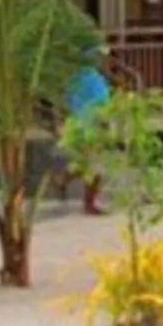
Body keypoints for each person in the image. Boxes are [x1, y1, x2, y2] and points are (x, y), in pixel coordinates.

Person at [66, 47, 113, 214]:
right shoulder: (94, 79)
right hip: (91, 127)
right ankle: (89, 203)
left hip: (76, 125)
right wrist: (105, 126)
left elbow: (69, 100)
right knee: (96, 168)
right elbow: (102, 106)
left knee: (86, 163)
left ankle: (63, 180)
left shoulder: (75, 77)